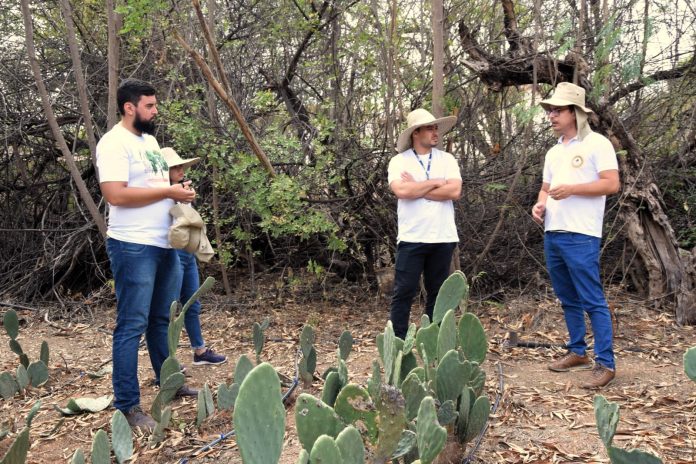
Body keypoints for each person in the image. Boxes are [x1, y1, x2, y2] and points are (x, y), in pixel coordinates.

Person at [96, 79, 198, 431]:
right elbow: (116, 195)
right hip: (132, 245)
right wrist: (167, 190)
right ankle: (127, 406)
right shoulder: (113, 143)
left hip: (164, 243)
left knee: (161, 321)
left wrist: (178, 192)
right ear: (129, 107)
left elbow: (156, 187)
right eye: (150, 106)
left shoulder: (151, 142)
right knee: (131, 325)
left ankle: (168, 383)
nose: (155, 111)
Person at [532, 82, 620, 389]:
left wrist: (573, 189)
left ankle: (606, 363)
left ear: (575, 113)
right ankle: (577, 351)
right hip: (553, 232)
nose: (551, 115)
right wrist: (540, 205)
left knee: (592, 299)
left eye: (557, 110)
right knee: (567, 297)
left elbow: (611, 184)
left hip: (581, 233)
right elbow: (545, 188)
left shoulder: (597, 144)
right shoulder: (554, 151)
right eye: (550, 110)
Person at [387, 109, 462, 339]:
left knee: (438, 293)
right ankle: (398, 342)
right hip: (412, 237)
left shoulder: (447, 159)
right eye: (429, 128)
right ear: (415, 133)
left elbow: (455, 191)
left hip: (442, 237)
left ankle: (434, 341)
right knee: (404, 292)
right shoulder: (399, 161)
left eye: (435, 127)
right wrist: (436, 183)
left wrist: (419, 187)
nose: (435, 132)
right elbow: (401, 190)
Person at [161, 147, 227, 366]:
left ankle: (200, 351)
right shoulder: (159, 195)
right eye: (175, 167)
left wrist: (185, 199)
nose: (181, 170)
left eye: (182, 166)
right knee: (169, 307)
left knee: (192, 302)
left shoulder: (182, 191)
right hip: (171, 253)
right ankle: (167, 359)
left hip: (187, 253)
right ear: (165, 171)